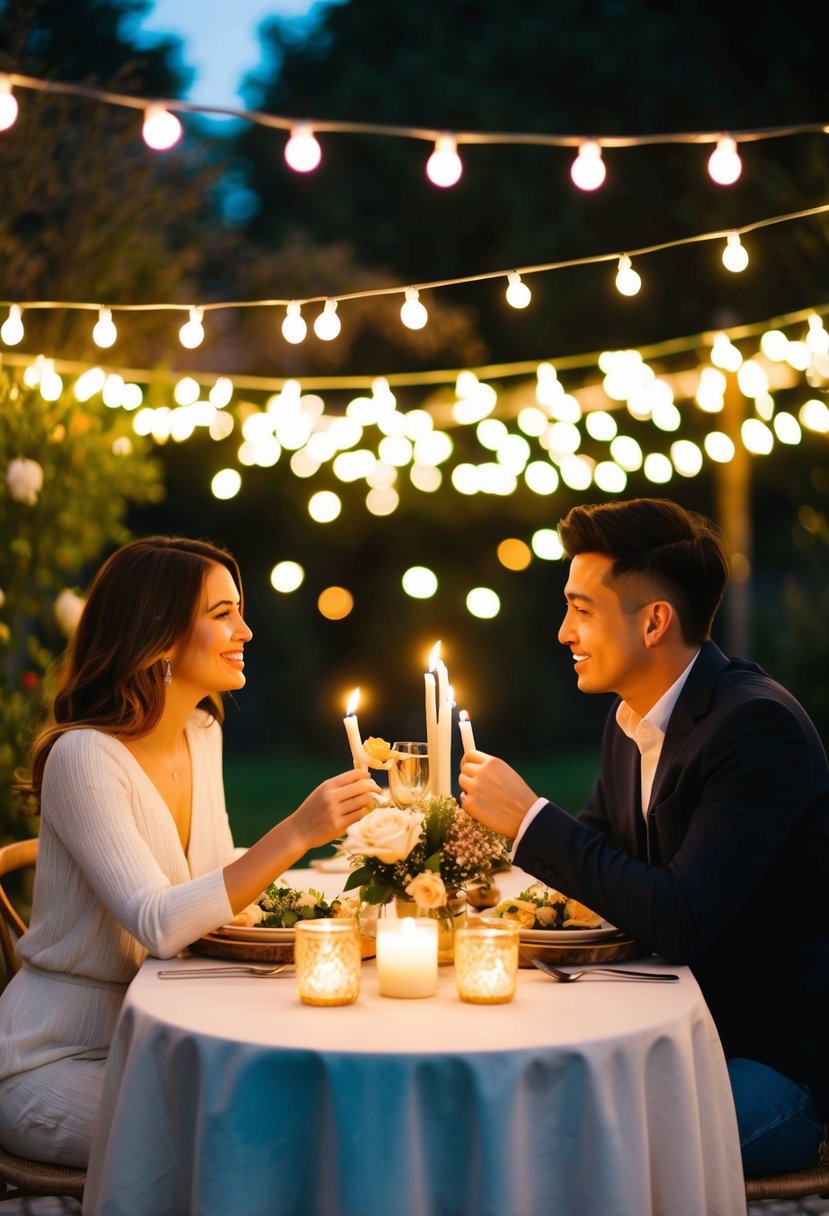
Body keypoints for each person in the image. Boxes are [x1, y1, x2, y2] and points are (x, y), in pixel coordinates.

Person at [459, 497, 829, 1176]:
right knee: (501, 1107)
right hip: (657, 1037)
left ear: (654, 620)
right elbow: (595, 868)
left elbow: (679, 917)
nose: (563, 631)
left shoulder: (755, 730)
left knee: (565, 1151)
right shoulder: (632, 718)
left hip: (762, 1065)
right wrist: (476, 895)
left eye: (581, 608)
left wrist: (528, 819)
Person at [0, 536, 379, 1168]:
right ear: (159, 634)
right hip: (56, 1057)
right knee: (237, 1140)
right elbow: (161, 922)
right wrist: (295, 833)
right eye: (222, 613)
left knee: (297, 1108)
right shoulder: (85, 756)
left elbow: (213, 870)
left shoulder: (200, 732)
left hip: (162, 1035)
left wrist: (346, 888)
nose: (246, 630)